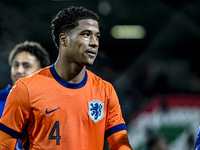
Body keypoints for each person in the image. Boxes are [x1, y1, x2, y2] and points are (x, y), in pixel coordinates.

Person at [0, 6, 132, 150]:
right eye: (86, 34)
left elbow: (120, 142)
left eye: (97, 36)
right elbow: (4, 145)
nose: (94, 43)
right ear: (64, 40)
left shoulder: (106, 91)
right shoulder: (25, 89)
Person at [0, 41, 50, 150]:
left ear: (41, 71)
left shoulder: (53, 105)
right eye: (16, 65)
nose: (19, 70)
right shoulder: (1, 100)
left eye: (26, 66)